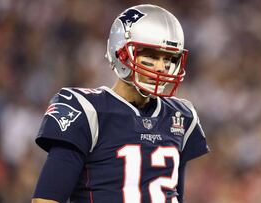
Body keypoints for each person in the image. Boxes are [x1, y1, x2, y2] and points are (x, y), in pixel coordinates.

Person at [32, 4, 209, 203]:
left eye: (169, 58)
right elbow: (46, 199)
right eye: (151, 55)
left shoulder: (181, 116)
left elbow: (175, 195)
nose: (161, 66)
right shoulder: (87, 110)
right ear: (120, 52)